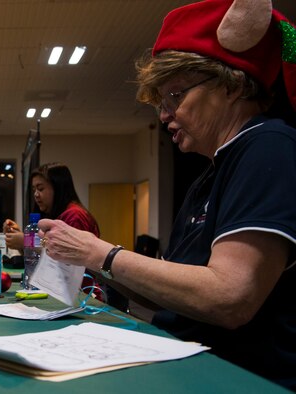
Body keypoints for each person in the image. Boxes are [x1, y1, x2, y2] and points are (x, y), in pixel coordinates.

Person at [37, 0, 296, 388]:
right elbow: (176, 293)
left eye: (175, 95)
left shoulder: (268, 146)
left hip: (242, 378)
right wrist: (91, 259)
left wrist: (101, 253)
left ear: (232, 84)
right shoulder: (210, 174)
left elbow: (230, 297)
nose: (163, 115)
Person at [2, 162, 102, 297]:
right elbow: (39, 259)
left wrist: (27, 241)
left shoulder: (74, 216)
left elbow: (69, 262)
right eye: (34, 190)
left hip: (82, 297)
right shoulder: (54, 214)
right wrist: (23, 240)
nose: (36, 195)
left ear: (58, 188)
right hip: (62, 293)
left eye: (41, 189)